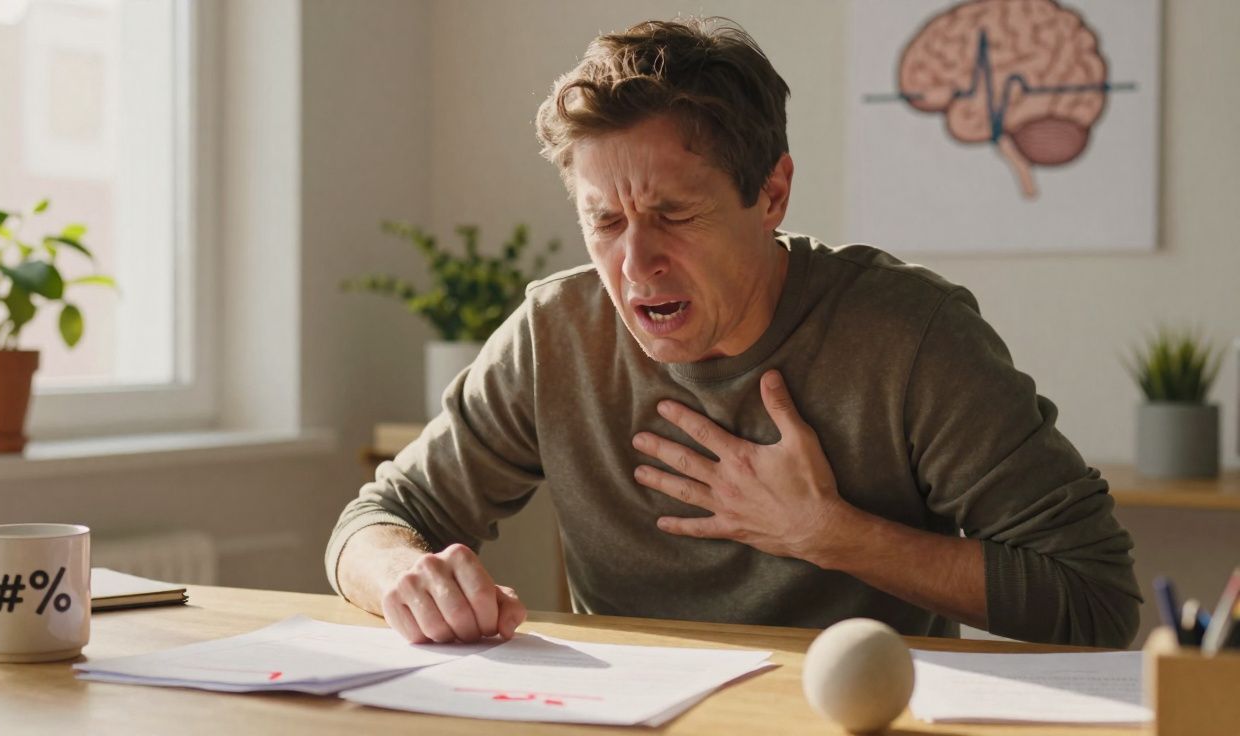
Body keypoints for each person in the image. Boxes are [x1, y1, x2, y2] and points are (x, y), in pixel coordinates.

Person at [326, 17, 1141, 648]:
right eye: (603, 220)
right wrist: (403, 574)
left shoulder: (911, 337)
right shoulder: (555, 333)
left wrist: (832, 535)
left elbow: (1096, 599)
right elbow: (377, 518)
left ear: (773, 193)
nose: (635, 264)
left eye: (673, 214)